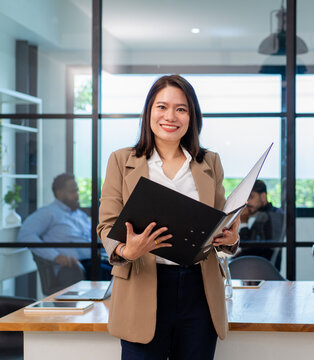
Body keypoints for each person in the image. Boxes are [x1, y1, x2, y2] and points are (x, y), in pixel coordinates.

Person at [97, 74, 239, 360]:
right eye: (161, 107)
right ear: (149, 112)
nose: (170, 116)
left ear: (192, 116)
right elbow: (106, 224)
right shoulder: (120, 160)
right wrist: (126, 249)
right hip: (142, 283)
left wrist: (231, 239)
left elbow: (219, 223)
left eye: (181, 109)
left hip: (199, 289)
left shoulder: (209, 162)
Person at [17, 173, 112, 280]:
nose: (77, 195)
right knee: (114, 275)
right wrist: (56, 256)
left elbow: (95, 239)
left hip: (97, 260)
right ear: (59, 192)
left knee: (123, 269)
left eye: (77, 190)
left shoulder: (80, 215)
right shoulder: (48, 213)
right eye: (73, 191)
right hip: (76, 268)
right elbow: (25, 235)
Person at [236, 180, 284, 268]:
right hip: (258, 268)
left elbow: (250, 247)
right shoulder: (264, 215)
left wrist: (244, 222)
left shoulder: (270, 216)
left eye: (250, 197)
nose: (247, 203)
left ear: (263, 196)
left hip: (262, 269)